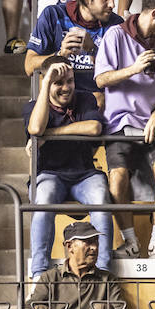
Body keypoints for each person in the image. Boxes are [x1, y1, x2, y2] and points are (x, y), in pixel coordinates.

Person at [93, 0, 155, 260]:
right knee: (118, 177)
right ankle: (131, 242)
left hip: (153, 123)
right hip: (119, 123)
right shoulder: (115, 35)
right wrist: (133, 69)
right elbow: (101, 80)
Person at [25, 57, 113, 277]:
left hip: (84, 174)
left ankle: (102, 271)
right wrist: (45, 86)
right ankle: (38, 273)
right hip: (50, 174)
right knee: (42, 201)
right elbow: (36, 128)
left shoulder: (84, 99)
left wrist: (51, 134)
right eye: (58, 82)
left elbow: (94, 128)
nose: (66, 88)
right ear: (46, 83)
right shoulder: (33, 107)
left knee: (101, 200)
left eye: (70, 81)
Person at [24, 0, 121, 98]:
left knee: (99, 99)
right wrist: (60, 55)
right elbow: (29, 66)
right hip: (61, 95)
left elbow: (119, 73)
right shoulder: (53, 15)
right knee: (44, 83)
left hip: (95, 98)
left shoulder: (116, 24)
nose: (112, 4)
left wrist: (93, 50)